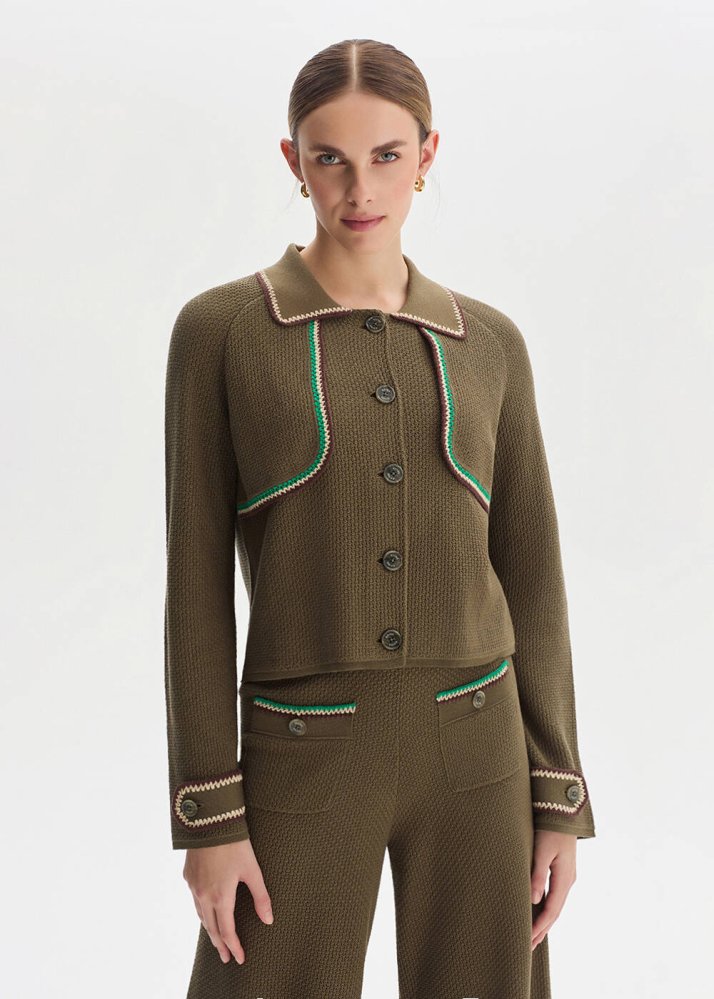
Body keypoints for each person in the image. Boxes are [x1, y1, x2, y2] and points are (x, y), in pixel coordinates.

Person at [163, 37, 597, 999]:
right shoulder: (222, 332)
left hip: (479, 745)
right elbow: (193, 588)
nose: (360, 188)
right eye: (330, 158)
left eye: (387, 156)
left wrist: (557, 794)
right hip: (302, 746)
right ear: (293, 160)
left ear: (427, 155)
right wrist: (209, 814)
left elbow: (533, 577)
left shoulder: (489, 343)